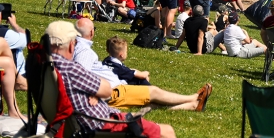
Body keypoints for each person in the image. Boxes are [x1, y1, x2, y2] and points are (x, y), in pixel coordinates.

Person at [43, 21, 192, 138]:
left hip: (71, 127)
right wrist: (97, 89)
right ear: (70, 44)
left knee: (130, 122)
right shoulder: (71, 68)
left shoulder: (44, 65)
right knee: (166, 131)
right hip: (94, 126)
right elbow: (106, 90)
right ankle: (191, 100)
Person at [72, 18, 211, 111]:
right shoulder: (84, 51)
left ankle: (193, 105)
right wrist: (93, 95)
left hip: (114, 89)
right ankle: (193, 98)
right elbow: (79, 75)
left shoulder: (78, 47)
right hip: (114, 91)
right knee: (153, 92)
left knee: (151, 103)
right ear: (91, 32)